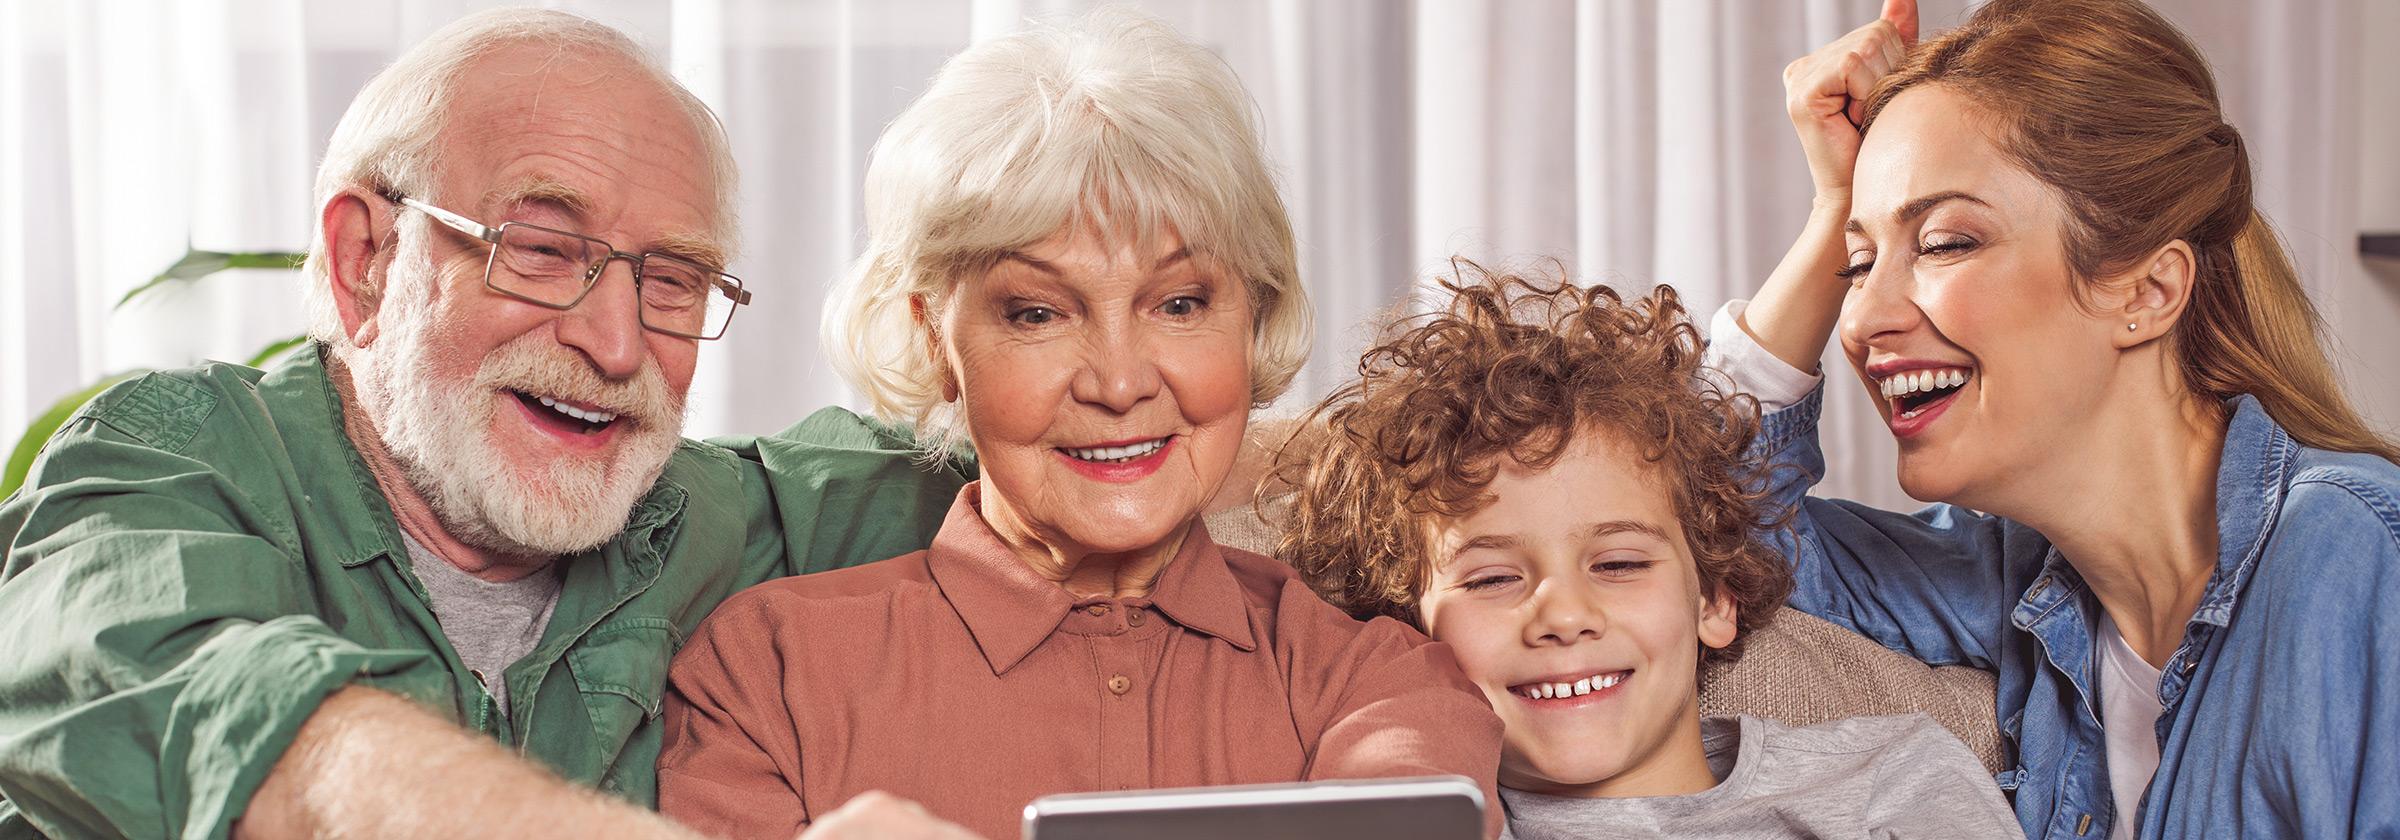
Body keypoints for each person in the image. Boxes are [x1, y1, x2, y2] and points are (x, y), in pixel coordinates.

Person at [0, 9, 966, 838]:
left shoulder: (733, 517)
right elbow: (264, 739)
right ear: (366, 262)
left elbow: (1023, 466)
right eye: (541, 250)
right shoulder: (162, 461)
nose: (618, 344)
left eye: (672, 279)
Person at [652, 11, 1503, 840]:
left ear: (1255, 318)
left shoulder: (1383, 685)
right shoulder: (765, 673)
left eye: (1180, 303)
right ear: (933, 339)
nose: (1120, 382)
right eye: (1035, 314)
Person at [1717, 0, 2400, 836]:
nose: (1858, 321)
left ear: (2147, 292)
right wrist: (1832, 206)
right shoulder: (2025, 581)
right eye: (1859, 264)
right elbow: (1696, 530)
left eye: (1942, 243)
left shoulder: (2354, 559)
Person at [1274, 265, 2020, 839]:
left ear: (1714, 598)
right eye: (1494, 578)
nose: (1564, 615)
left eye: (1620, 563)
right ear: (1410, 631)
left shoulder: (1889, 780)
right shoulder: (1419, 825)